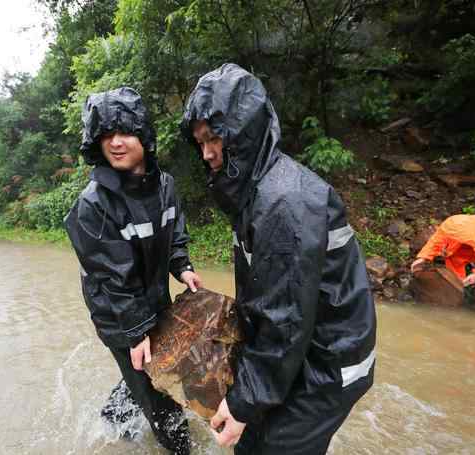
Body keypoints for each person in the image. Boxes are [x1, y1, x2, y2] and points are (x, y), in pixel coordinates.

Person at [179, 63, 377, 454]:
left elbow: (285, 317)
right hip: (307, 349)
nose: (208, 153)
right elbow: (272, 299)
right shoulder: (259, 190)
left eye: (215, 137)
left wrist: (243, 401)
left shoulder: (283, 202)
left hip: (326, 363)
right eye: (200, 142)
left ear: (244, 130)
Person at [64, 87, 202, 454]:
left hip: (154, 302)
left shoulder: (166, 187)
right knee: (161, 398)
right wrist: (137, 330)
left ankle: (112, 419)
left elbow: (174, 235)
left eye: (124, 132)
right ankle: (178, 448)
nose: (116, 143)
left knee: (147, 377)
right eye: (106, 136)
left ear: (144, 135)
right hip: (118, 316)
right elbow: (112, 277)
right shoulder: (93, 204)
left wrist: (182, 266)